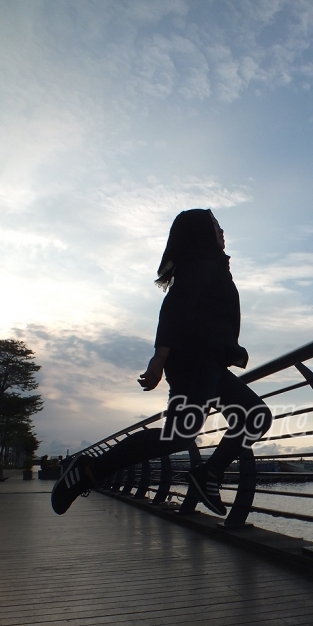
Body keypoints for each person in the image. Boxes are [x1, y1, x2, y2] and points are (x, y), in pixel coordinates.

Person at [51, 208, 272, 516]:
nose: (222, 232)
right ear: (201, 233)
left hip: (207, 363)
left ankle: (207, 475)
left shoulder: (208, 264)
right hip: (195, 362)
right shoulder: (203, 263)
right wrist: (160, 356)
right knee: (181, 436)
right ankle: (88, 470)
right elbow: (175, 307)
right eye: (215, 226)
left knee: (254, 415)